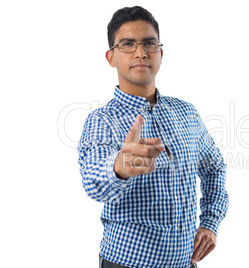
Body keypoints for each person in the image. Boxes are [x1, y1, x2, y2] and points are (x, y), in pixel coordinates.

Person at [78, 6, 229, 268]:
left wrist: (210, 223)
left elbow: (213, 166)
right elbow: (93, 182)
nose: (141, 52)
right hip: (126, 263)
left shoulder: (186, 113)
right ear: (110, 57)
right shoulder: (102, 120)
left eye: (149, 43)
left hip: (185, 263)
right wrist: (119, 167)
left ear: (161, 53)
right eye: (127, 44)